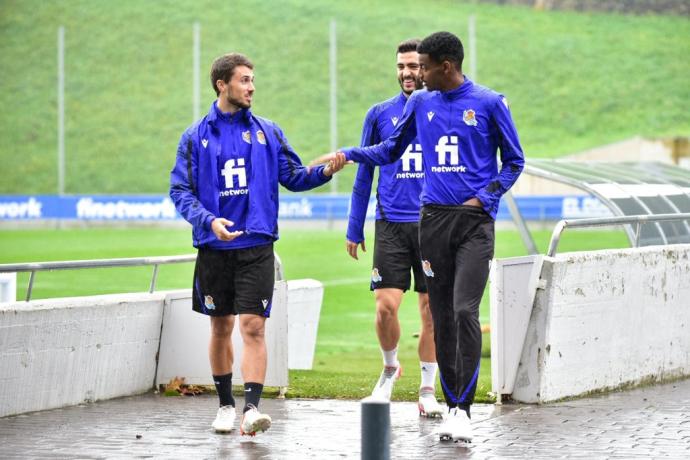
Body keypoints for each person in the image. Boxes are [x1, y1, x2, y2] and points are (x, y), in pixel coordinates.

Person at [325, 31, 524, 442]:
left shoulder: (489, 102)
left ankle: (463, 410)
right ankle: (454, 406)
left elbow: (515, 161)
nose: (417, 74)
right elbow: (389, 150)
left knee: (465, 310)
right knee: (444, 316)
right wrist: (349, 153)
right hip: (431, 221)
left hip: (473, 225)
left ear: (445, 66)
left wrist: (485, 198)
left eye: (424, 66)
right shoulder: (420, 103)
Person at [169, 53, 345, 436]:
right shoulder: (195, 136)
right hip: (215, 249)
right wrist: (208, 221)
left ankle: (251, 409)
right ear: (222, 84)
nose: (251, 87)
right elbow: (179, 190)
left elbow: (294, 177)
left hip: (257, 247)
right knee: (220, 327)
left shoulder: (269, 131)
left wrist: (326, 171)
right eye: (244, 80)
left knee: (253, 327)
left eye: (252, 80)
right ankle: (225, 406)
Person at [346, 38, 443, 418]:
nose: (407, 72)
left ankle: (427, 387)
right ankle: (389, 367)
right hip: (390, 223)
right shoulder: (379, 114)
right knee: (386, 307)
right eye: (402, 66)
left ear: (428, 68)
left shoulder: (442, 109)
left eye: (415, 66)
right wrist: (355, 227)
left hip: (433, 224)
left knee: (431, 310)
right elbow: (364, 174)